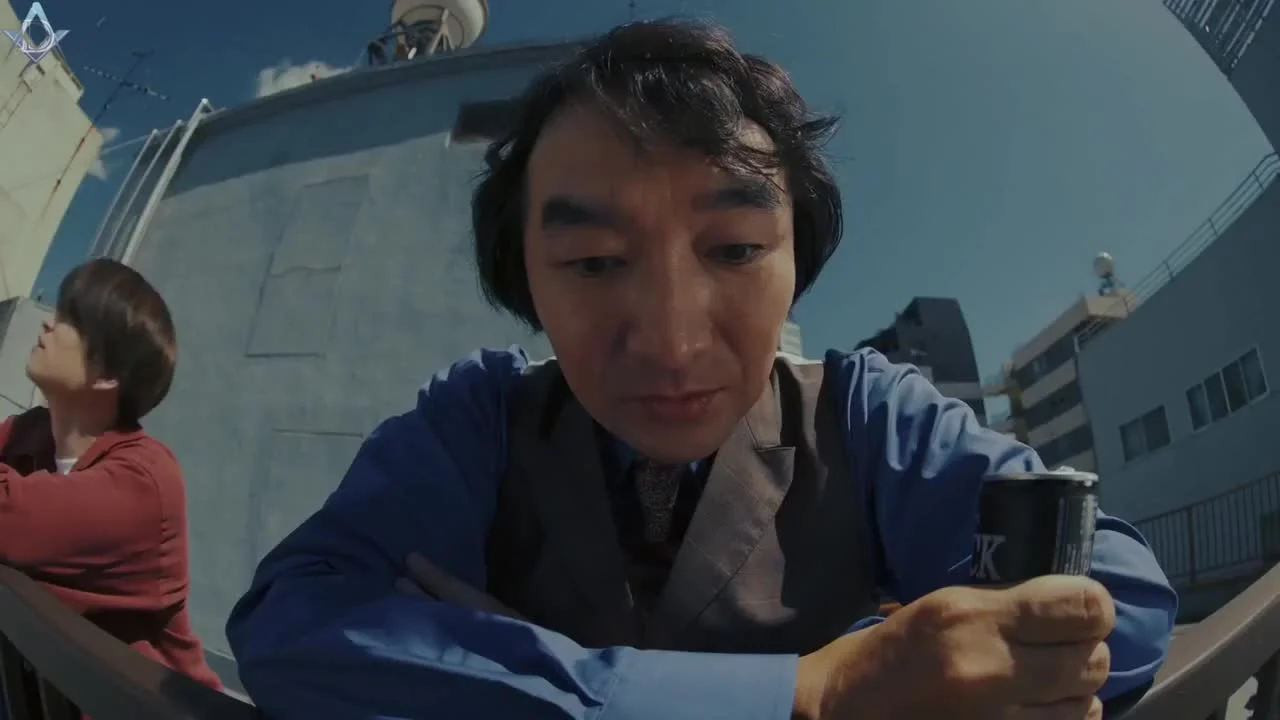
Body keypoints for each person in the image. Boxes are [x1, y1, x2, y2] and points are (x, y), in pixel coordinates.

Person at [226, 19, 1176, 720]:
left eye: (734, 250)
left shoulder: (869, 416)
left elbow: (1115, 598)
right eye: (593, 262)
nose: (674, 343)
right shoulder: (476, 421)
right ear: (524, 280)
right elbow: (293, 624)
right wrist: (817, 687)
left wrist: (499, 665)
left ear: (798, 257)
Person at [0, 258, 221, 690]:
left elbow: (11, 517)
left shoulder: (145, 483)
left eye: (70, 320)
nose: (48, 324)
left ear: (106, 375)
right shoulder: (32, 433)